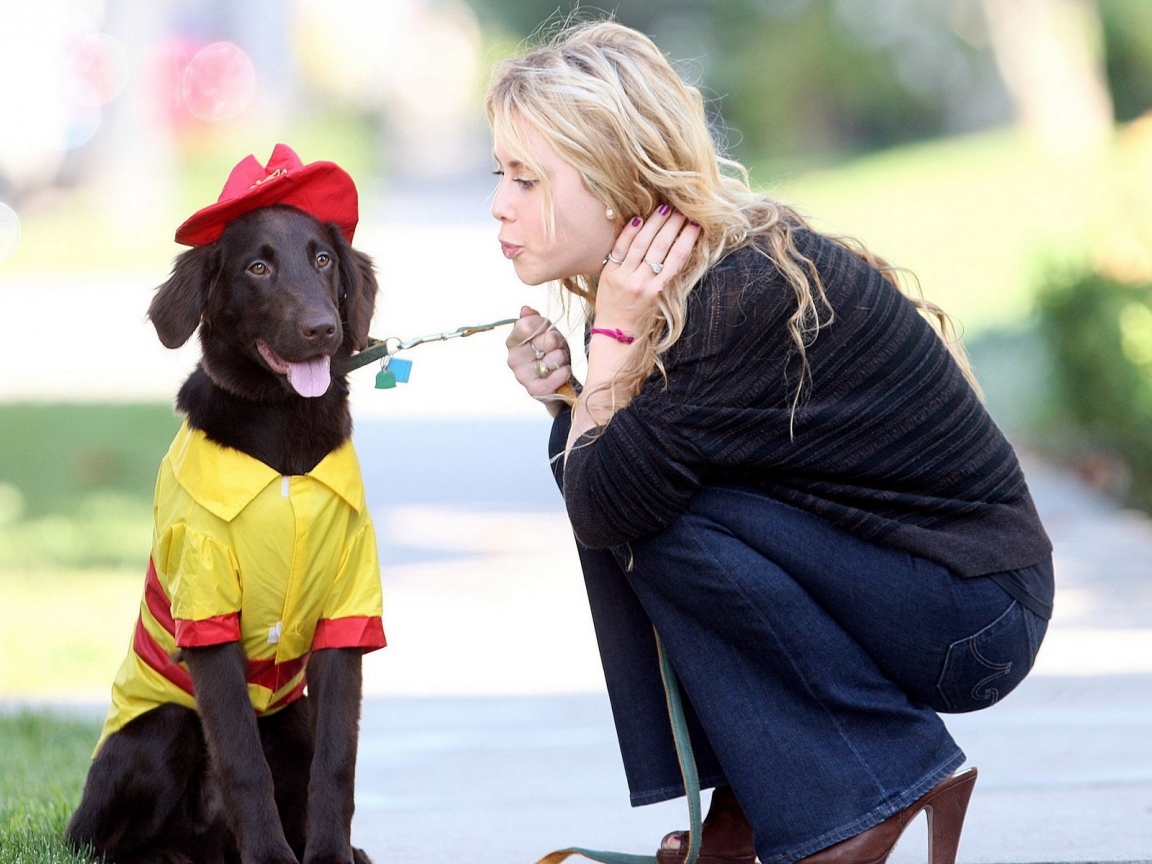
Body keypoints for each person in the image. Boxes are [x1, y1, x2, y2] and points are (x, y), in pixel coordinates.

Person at [489, 19, 1053, 864]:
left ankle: (867, 785)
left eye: (528, 178)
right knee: (619, 476)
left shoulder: (735, 295)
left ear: (614, 179)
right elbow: (618, 480)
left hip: (971, 615)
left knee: (645, 511)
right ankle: (755, 810)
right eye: (501, 173)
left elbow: (611, 505)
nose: (500, 202)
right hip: (917, 588)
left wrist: (605, 359)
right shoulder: (697, 278)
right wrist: (576, 397)